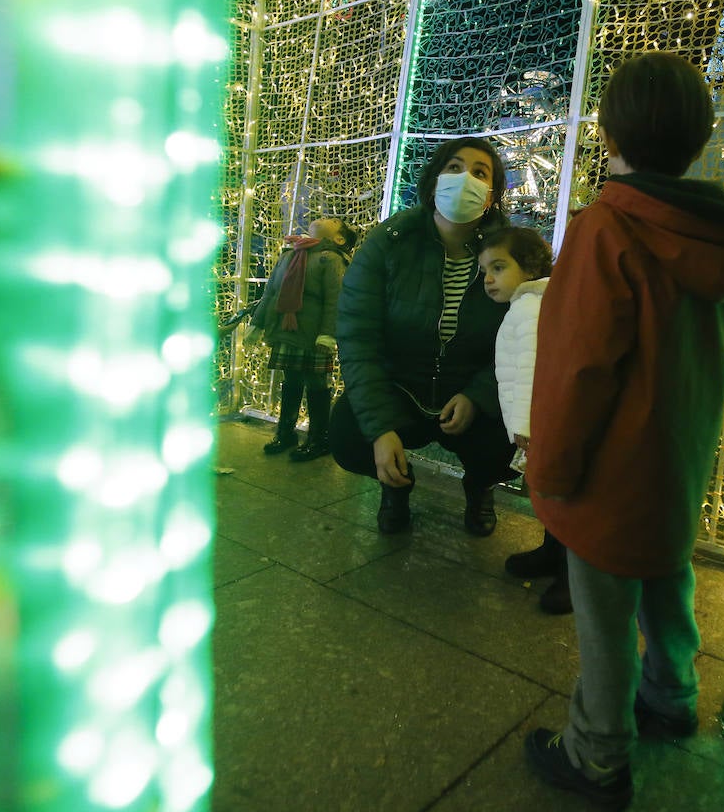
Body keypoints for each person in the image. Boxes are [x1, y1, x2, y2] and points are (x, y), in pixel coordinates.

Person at [520, 52, 724, 812]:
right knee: (667, 577)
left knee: (603, 616)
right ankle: (674, 695)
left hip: (611, 469)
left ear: (608, 129)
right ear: (699, 137)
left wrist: (550, 467)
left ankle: (596, 755)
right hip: (677, 458)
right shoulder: (719, 233)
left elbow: (577, 365)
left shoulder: (609, 228)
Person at [330, 137, 516, 536]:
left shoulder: (511, 254)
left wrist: (478, 394)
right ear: (433, 181)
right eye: (454, 167)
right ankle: (395, 482)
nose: (465, 178)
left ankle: (479, 486)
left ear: (491, 196)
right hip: (403, 390)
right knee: (347, 432)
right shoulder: (389, 242)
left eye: (479, 173)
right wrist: (381, 429)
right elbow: (357, 337)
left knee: (504, 437)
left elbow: (519, 339)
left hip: (467, 394)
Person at [476, 227, 569, 614]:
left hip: (542, 427)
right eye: (484, 271)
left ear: (529, 268)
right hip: (538, 425)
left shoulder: (530, 309)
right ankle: (552, 553)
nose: (489, 279)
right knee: (549, 497)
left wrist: (525, 428)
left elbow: (532, 371)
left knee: (559, 500)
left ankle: (571, 576)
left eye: (499, 267)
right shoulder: (527, 305)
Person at [244, 216, 357, 461]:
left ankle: (319, 438)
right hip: (288, 330)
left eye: (333, 221)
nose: (325, 217)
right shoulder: (289, 255)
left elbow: (335, 299)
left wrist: (328, 333)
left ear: (339, 238)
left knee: (316, 382)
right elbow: (271, 292)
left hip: (314, 334)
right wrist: (258, 322)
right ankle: (286, 432)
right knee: (291, 379)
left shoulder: (332, 259)